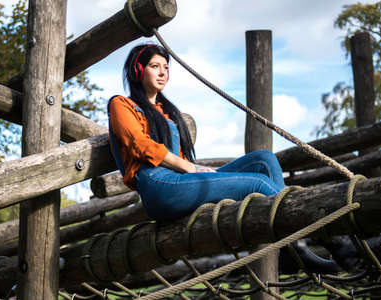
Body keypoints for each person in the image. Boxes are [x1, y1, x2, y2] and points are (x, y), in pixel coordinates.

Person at [108, 43, 285, 221]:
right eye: (155, 66)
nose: (163, 73)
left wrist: (198, 170)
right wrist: (192, 168)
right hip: (157, 186)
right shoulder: (121, 104)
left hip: (182, 181)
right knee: (258, 183)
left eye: (166, 68)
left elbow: (183, 160)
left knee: (265, 160)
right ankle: (296, 227)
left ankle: (287, 242)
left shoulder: (167, 112)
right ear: (138, 71)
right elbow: (139, 144)